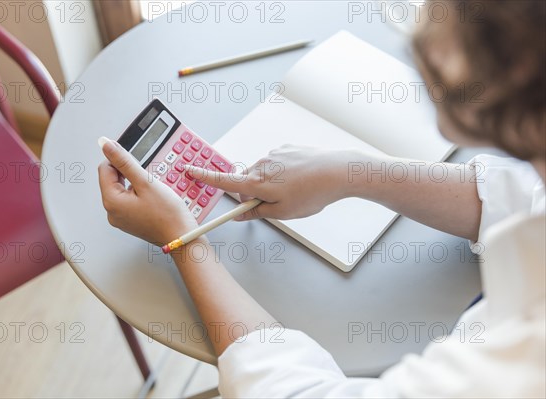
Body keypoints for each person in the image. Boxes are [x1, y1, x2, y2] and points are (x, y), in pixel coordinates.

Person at [98, 1, 545, 397]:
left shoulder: (517, 362)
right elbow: (525, 198)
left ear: (517, 62)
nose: (420, 23)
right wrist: (349, 171)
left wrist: (183, 239)